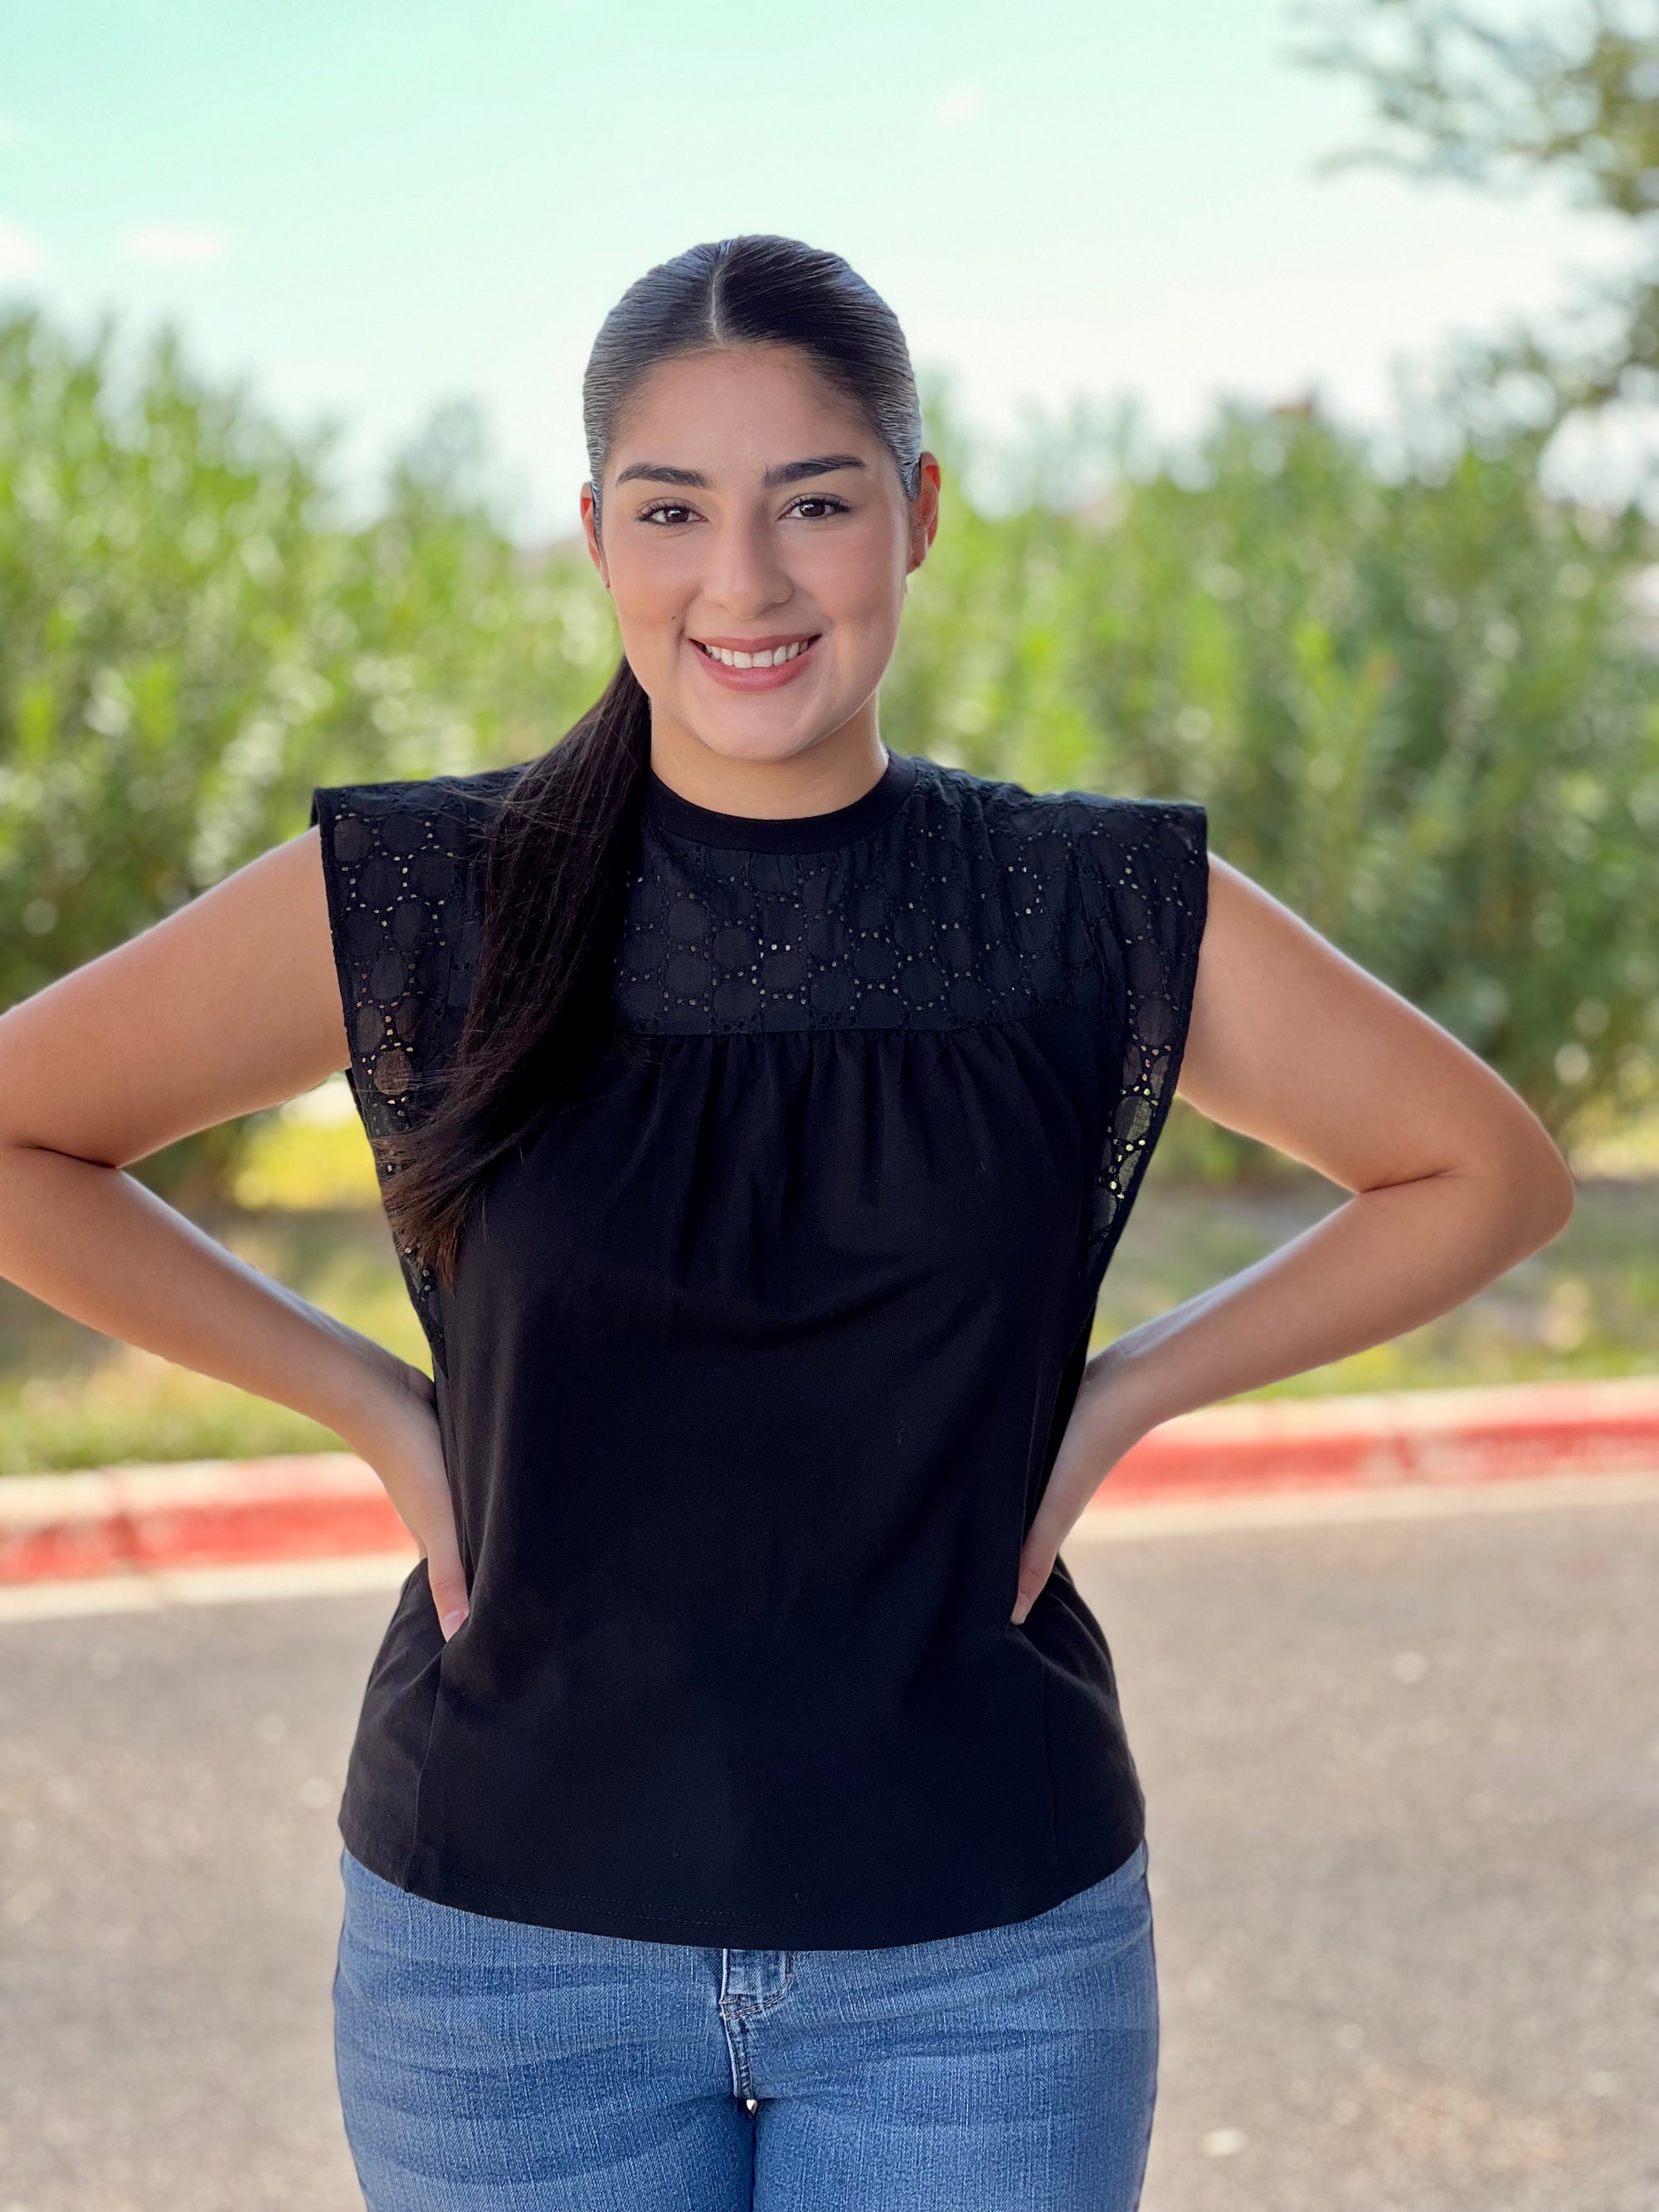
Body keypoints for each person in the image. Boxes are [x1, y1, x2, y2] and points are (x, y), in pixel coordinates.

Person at [0, 235, 1574, 2212]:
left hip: (979, 1957)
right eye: (671, 510)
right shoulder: (430, 893)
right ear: (593, 534)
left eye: (811, 502)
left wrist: (1113, 1404)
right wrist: (385, 1418)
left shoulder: (1077, 906)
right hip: (509, 1959)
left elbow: (1481, 1170)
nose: (739, 584)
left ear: (914, 514)